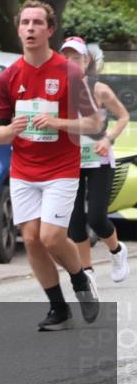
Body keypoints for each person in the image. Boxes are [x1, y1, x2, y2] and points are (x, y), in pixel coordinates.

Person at [0, 3, 102, 334]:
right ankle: (59, 308)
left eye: (37, 22)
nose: (30, 28)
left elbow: (95, 122)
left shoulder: (68, 72)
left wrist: (58, 121)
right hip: (23, 168)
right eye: (25, 22)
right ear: (18, 29)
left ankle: (81, 279)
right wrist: (8, 131)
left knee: (52, 237)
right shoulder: (9, 75)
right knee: (31, 239)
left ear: (49, 30)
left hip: (61, 168)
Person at [60, 36, 130, 284]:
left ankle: (117, 251)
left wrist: (108, 139)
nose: (70, 62)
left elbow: (122, 116)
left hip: (99, 160)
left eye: (75, 58)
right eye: (65, 57)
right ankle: (87, 271)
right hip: (70, 160)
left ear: (86, 61)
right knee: (75, 220)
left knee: (96, 218)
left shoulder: (98, 89)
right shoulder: (59, 90)